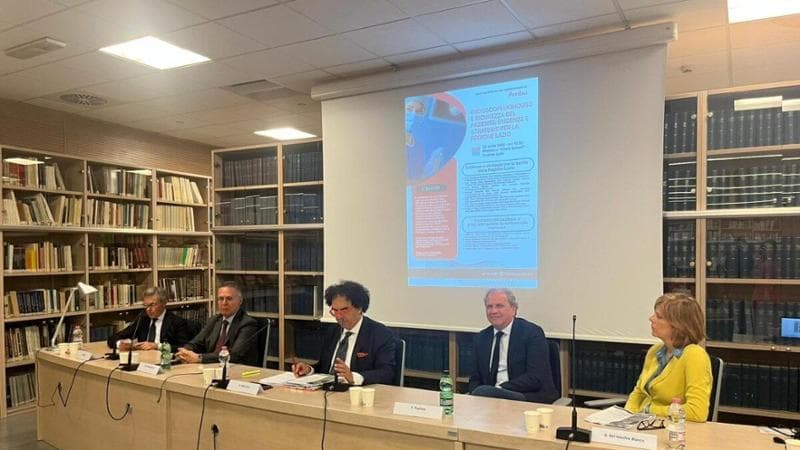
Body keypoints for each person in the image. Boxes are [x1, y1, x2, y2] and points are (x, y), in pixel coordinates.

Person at [625, 293, 712, 422]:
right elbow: (638, 393)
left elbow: (697, 411)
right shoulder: (654, 351)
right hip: (642, 423)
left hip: (674, 427)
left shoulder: (695, 356)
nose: (651, 319)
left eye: (659, 317)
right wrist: (625, 417)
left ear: (678, 325)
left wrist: (649, 410)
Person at [292, 281, 396, 385]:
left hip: (359, 391)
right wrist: (309, 369)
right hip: (328, 389)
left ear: (359, 308)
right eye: (335, 311)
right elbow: (325, 367)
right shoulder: (332, 331)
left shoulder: (380, 334)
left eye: (344, 310)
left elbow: (387, 373)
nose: (338, 316)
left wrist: (354, 377)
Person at [468, 288, 558, 403]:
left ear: (513, 309)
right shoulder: (481, 338)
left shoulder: (532, 333)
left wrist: (499, 390)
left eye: (499, 306)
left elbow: (535, 378)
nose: (493, 311)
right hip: (490, 400)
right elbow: (474, 379)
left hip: (526, 396)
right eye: (489, 307)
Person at [175, 281, 260, 366]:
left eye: (229, 299)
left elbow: (234, 355)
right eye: (221, 299)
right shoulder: (214, 320)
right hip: (210, 367)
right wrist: (185, 352)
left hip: (237, 369)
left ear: (240, 301)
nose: (224, 303)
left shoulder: (248, 323)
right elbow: (196, 343)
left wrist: (199, 358)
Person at [107, 286, 192, 351]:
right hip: (144, 359)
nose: (148, 309)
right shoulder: (143, 319)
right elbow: (113, 338)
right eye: (146, 305)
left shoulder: (176, 322)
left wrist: (157, 346)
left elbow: (183, 347)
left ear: (164, 303)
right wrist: (120, 344)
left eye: (152, 305)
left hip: (164, 361)